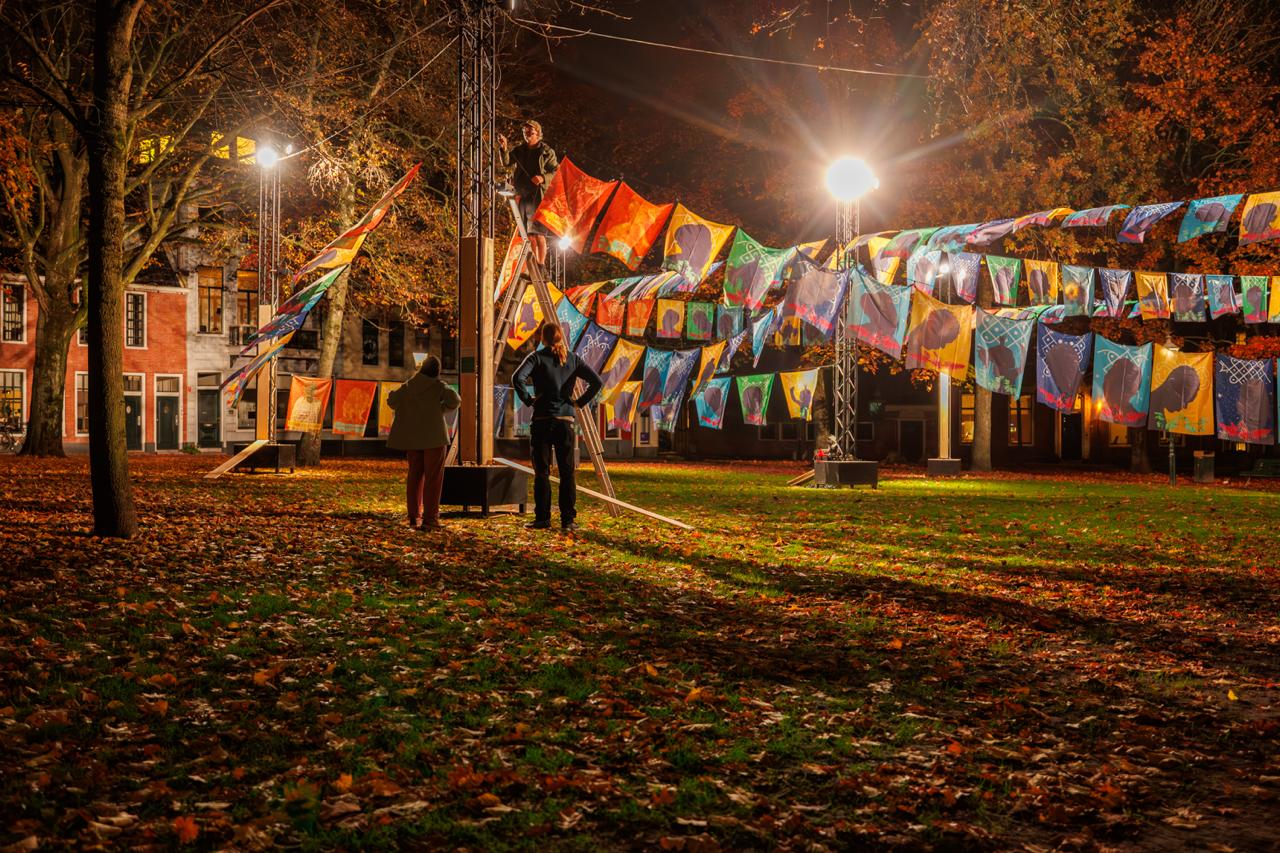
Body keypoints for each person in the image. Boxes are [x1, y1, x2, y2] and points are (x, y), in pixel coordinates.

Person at [512, 323, 602, 532]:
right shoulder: (572, 359)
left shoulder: (536, 358)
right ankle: (568, 520)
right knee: (567, 472)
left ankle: (542, 519)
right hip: (565, 421)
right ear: (561, 338)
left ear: (542, 338)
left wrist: (528, 399)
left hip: (542, 420)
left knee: (542, 472)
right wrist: (579, 402)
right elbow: (597, 382)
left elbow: (517, 378)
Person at [386, 355, 460, 530]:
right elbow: (455, 400)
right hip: (434, 437)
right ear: (437, 372)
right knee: (433, 479)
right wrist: (441, 409)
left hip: (413, 438)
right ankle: (430, 519)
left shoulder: (408, 386)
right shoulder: (438, 386)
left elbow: (392, 401)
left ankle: (413, 516)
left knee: (414, 477)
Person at [498, 119, 558, 266]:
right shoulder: (520, 150)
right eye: (525, 131)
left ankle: (540, 264)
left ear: (537, 132)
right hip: (523, 196)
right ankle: (533, 264)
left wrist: (543, 178)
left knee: (539, 234)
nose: (527, 133)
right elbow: (507, 162)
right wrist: (504, 148)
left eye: (530, 131)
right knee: (528, 234)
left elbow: (556, 172)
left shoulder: (546, 151)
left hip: (538, 196)